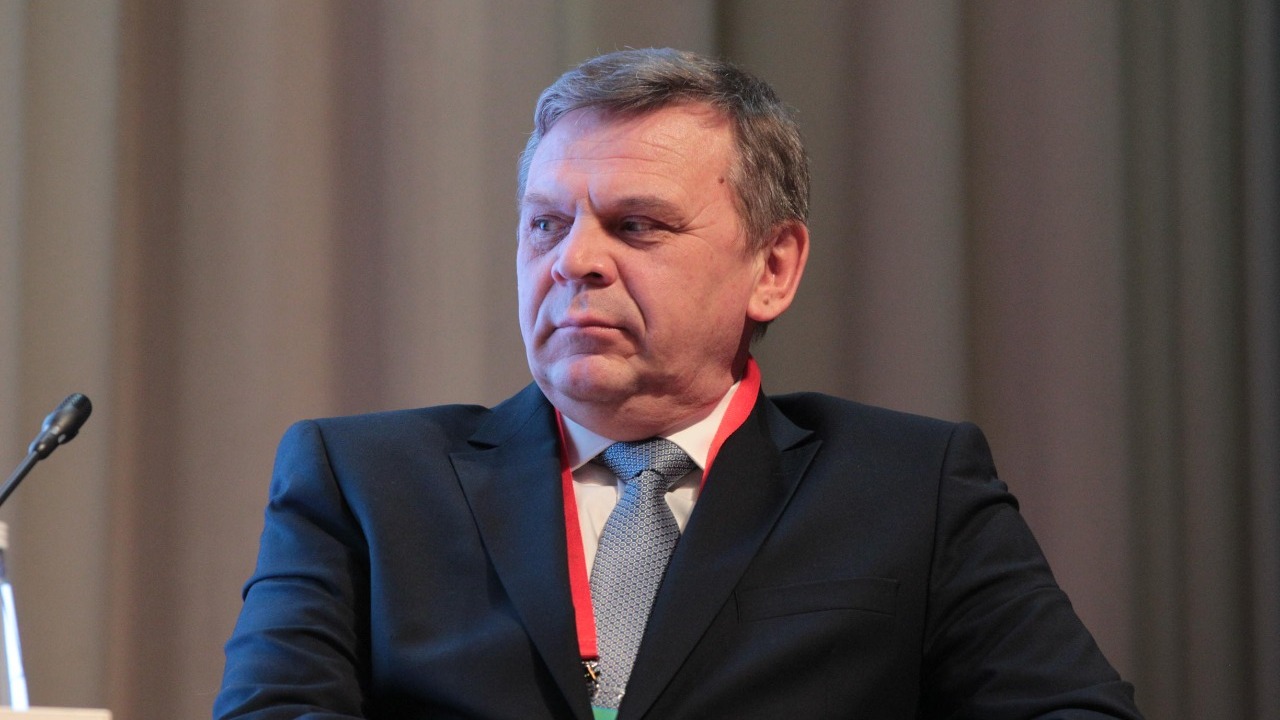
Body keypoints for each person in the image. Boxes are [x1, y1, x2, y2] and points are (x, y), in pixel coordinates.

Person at [214, 48, 1143, 719]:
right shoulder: (364, 481)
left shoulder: (910, 486)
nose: (574, 261)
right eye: (545, 225)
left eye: (637, 226)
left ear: (772, 267)